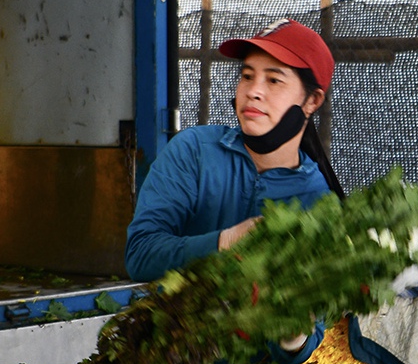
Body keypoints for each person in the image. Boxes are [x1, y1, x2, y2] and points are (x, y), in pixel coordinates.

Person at [124, 19, 345, 284]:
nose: (253, 92)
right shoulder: (193, 151)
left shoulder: (318, 198)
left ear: (312, 101)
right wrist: (224, 242)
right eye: (247, 76)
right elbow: (140, 255)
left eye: (274, 80)